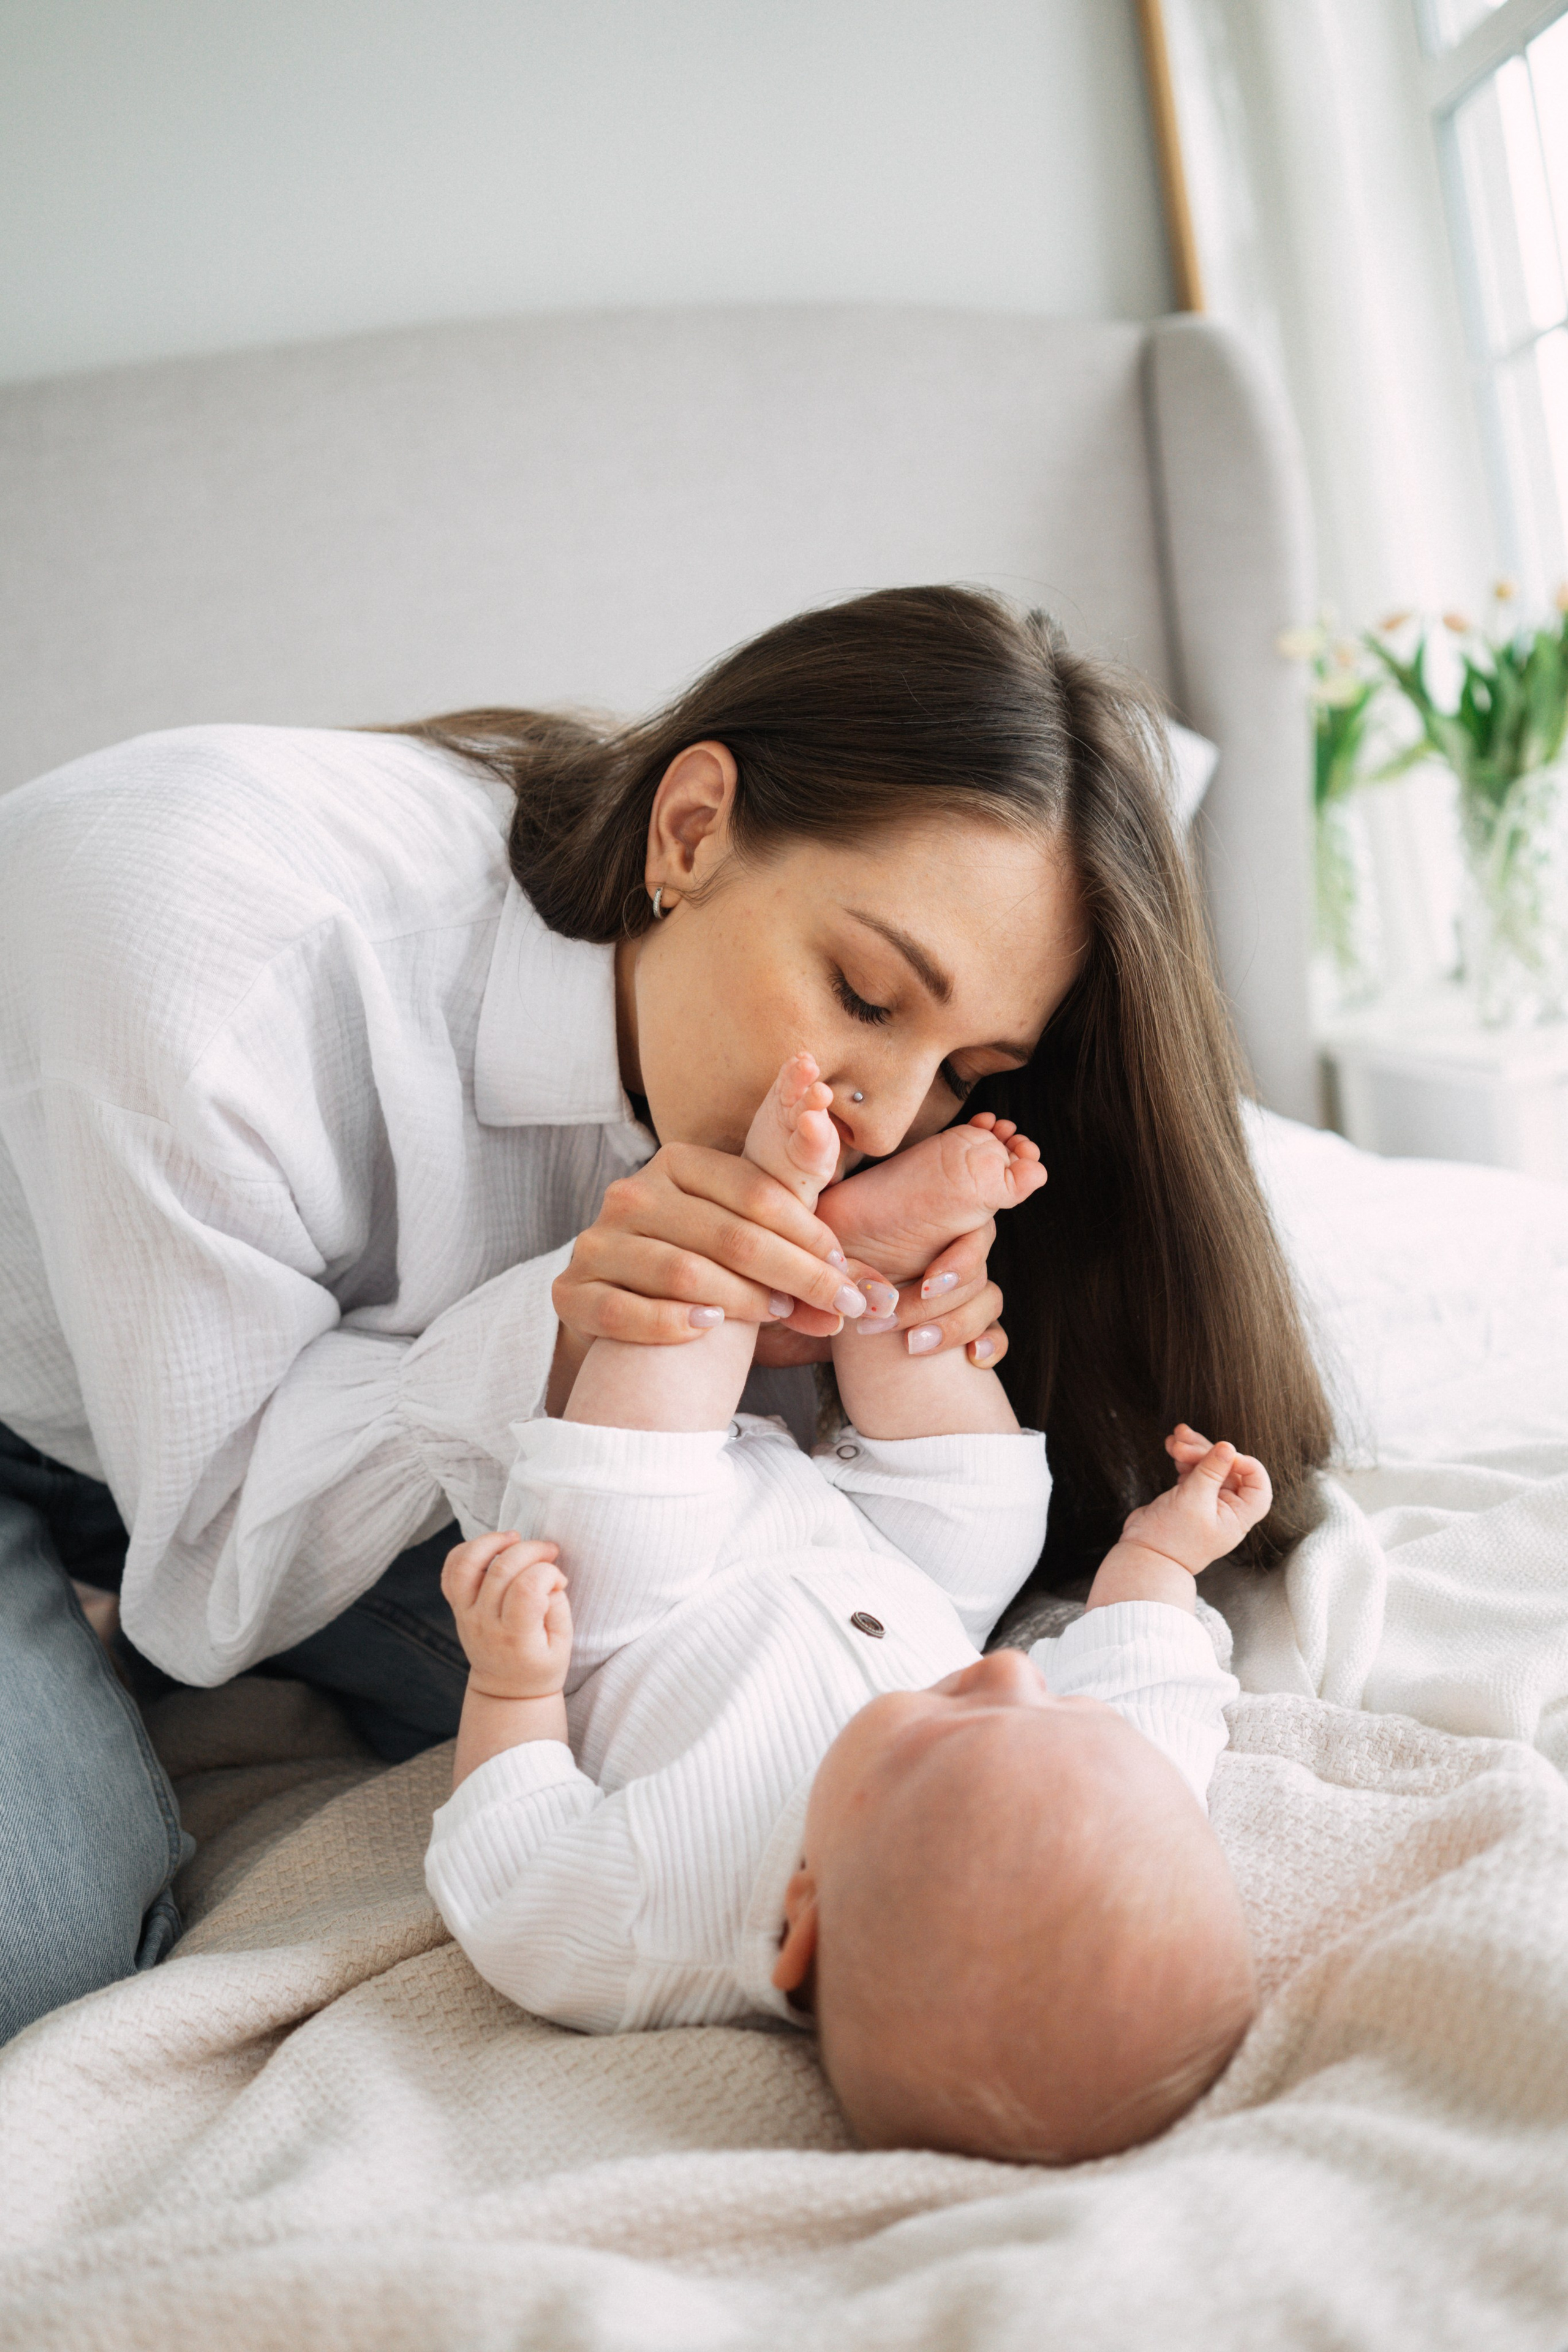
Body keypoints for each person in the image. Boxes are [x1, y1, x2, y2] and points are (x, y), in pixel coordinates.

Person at [0, 583, 1329, 2043]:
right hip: (149, 1460)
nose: (890, 1115)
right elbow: (210, 1574)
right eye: (867, 996)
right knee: (34, 1944)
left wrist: (874, 1331)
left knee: (725, 1692)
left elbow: (756, 1528)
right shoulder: (210, 956)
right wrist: (580, 1315)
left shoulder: (763, 1051)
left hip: (313, 1426)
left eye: (967, 1073)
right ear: (689, 831)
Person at [426, 1053, 1261, 2162]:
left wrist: (514, 1688)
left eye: (959, 1721)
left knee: (617, 1503)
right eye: (1055, 1712)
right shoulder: (1117, 1813)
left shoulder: (657, 1914)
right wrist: (1164, 1554)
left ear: (803, 1928)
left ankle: (753, 1221)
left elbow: (507, 1860)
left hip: (662, 1601)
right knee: (990, 1512)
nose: (1017, 1675)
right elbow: (1152, 1684)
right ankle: (873, 1277)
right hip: (898, 1576)